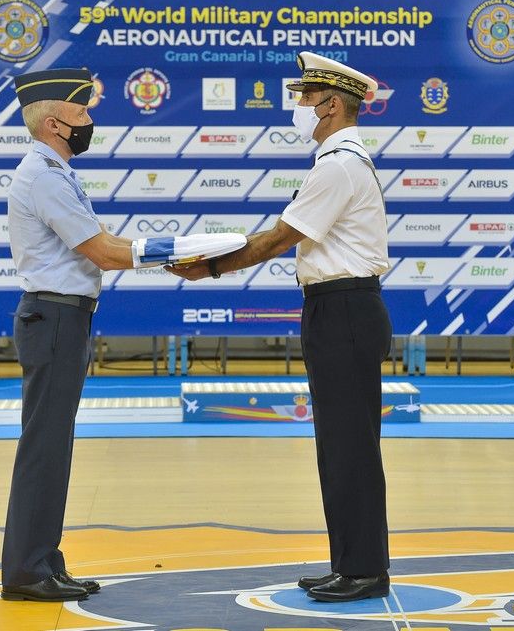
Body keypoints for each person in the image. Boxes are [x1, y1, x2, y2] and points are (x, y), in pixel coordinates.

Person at [166, 52, 393, 603]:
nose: (296, 108)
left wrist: (211, 266)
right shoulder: (336, 160)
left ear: (332, 105)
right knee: (339, 444)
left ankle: (364, 569)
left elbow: (276, 239)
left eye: (304, 98)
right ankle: (352, 564)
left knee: (350, 447)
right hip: (337, 307)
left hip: (344, 308)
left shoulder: (338, 163)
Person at [0, 68, 157, 602]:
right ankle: (27, 570)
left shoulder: (55, 170)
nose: (90, 120)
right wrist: (176, 254)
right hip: (55, 318)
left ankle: (43, 561)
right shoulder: (43, 174)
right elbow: (103, 251)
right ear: (53, 123)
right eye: (82, 113)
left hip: (61, 317)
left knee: (52, 445)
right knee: (45, 448)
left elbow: (101, 243)